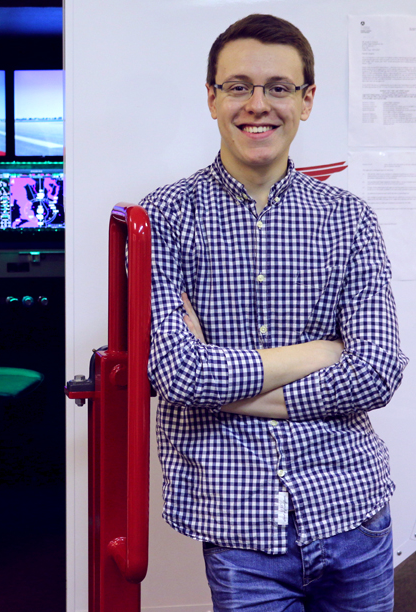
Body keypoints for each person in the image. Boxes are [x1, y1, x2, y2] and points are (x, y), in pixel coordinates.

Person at [139, 13, 408, 612]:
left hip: (353, 511)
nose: (258, 105)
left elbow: (379, 370)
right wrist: (320, 353)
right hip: (240, 527)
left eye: (279, 88)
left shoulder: (350, 220)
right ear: (211, 97)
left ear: (306, 100)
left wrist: (221, 378)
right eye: (238, 86)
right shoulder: (160, 220)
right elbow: (178, 376)